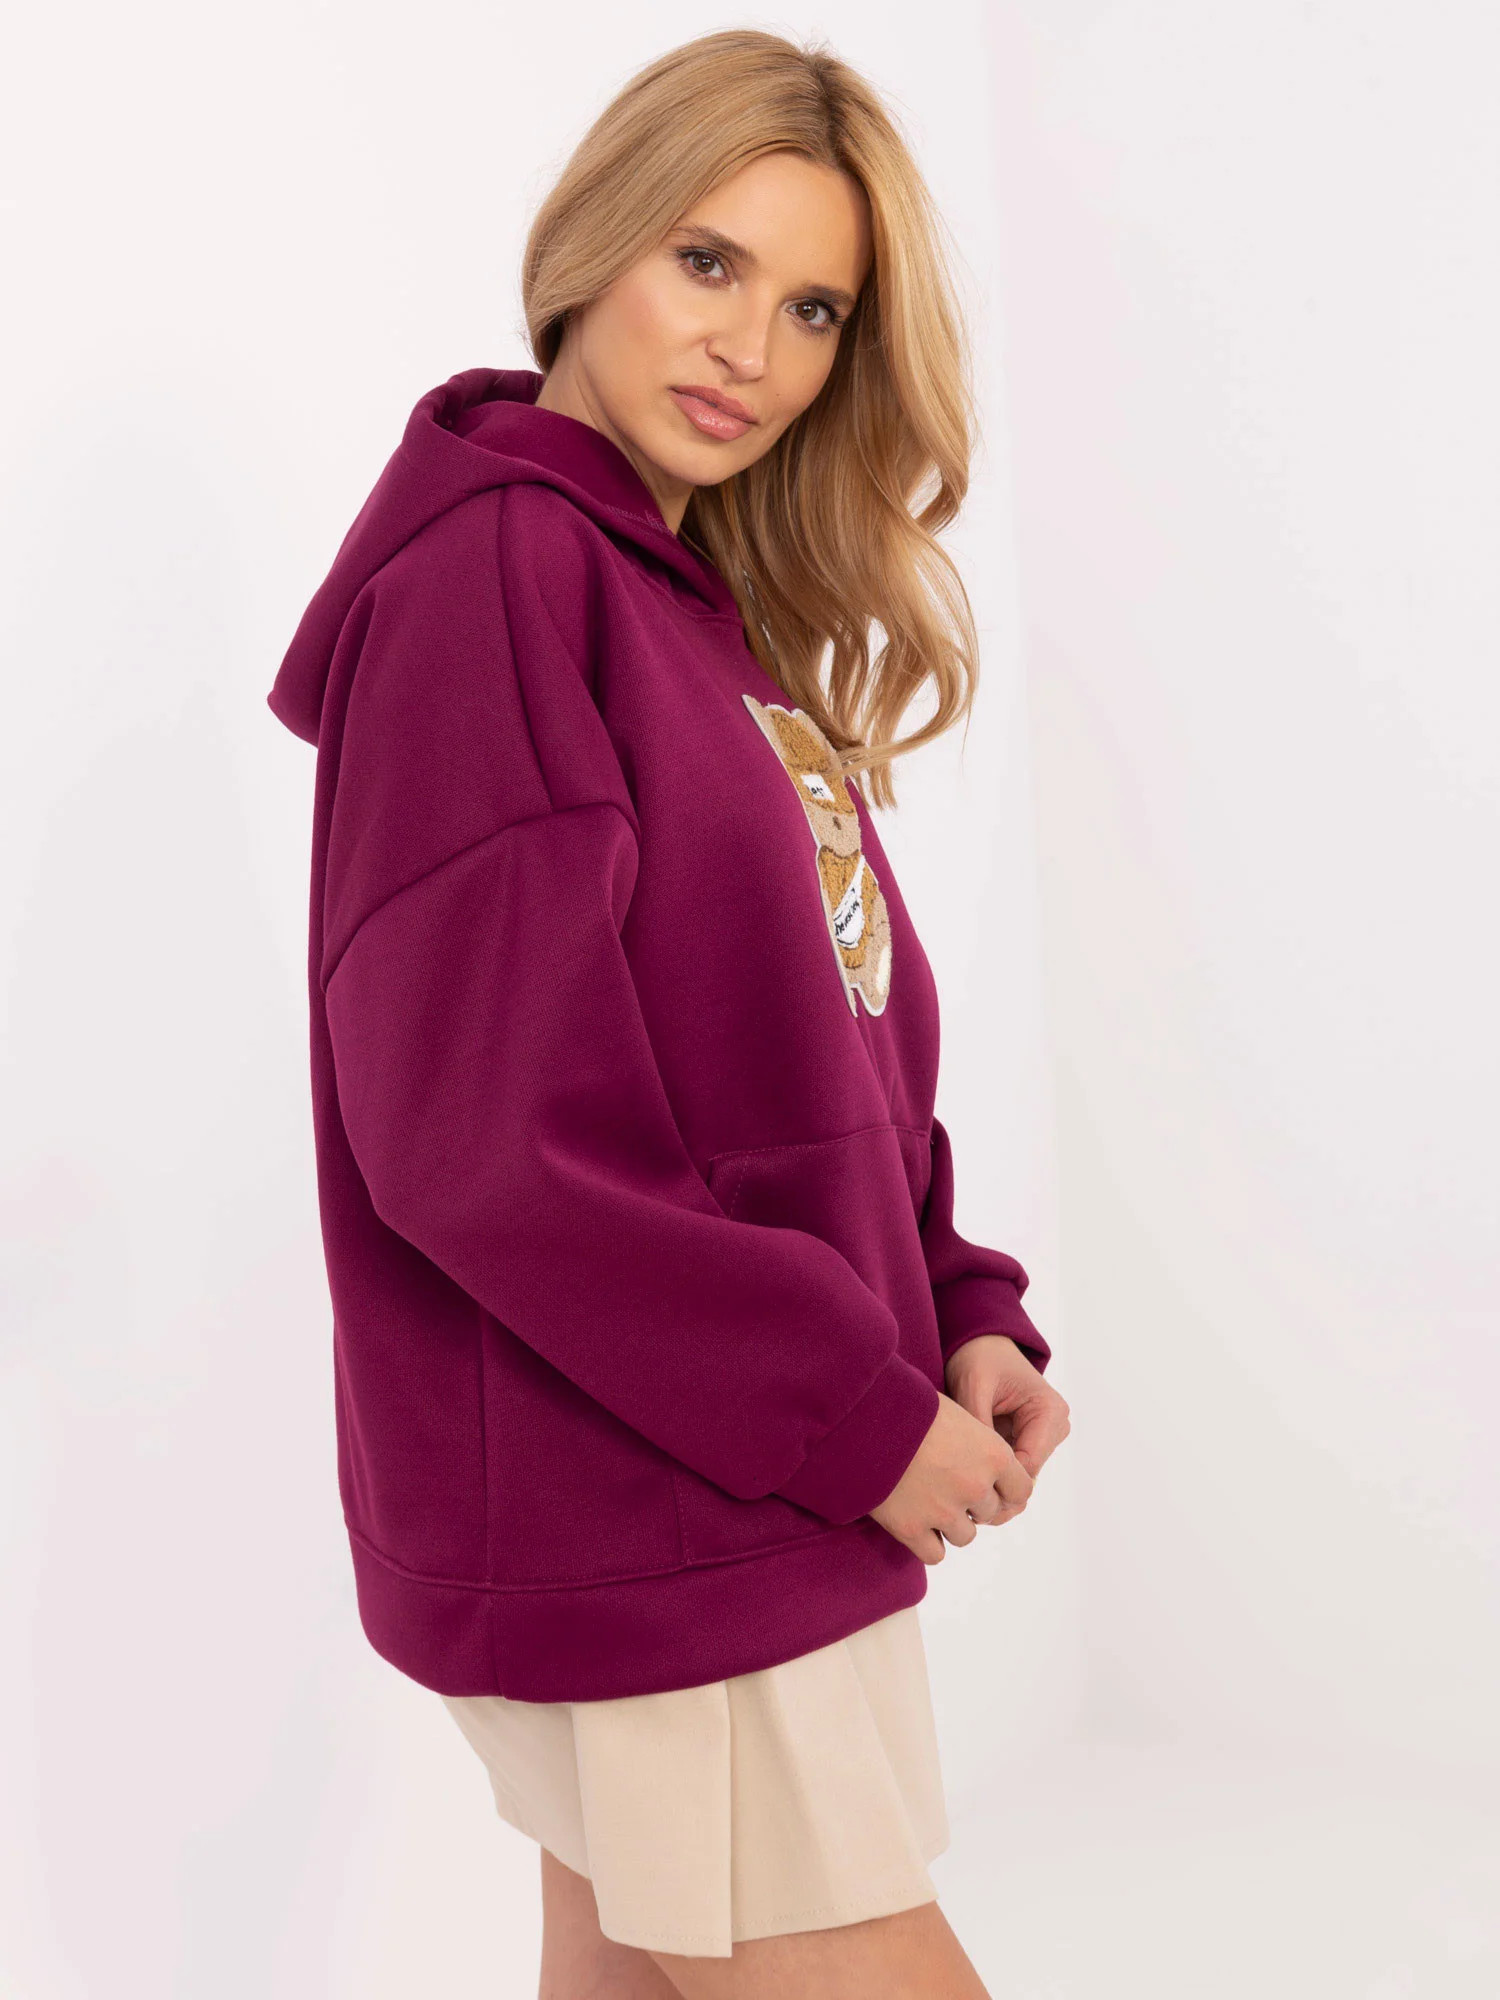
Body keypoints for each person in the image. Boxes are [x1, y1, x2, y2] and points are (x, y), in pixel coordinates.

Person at [267, 26, 1071, 2000]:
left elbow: (823, 1050)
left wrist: (955, 1301)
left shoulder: (684, 607)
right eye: (708, 261)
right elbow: (488, 1140)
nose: (753, 350)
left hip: (715, 1482)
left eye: (814, 308)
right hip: (658, 1503)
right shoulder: (497, 579)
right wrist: (850, 1413)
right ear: (592, 242)